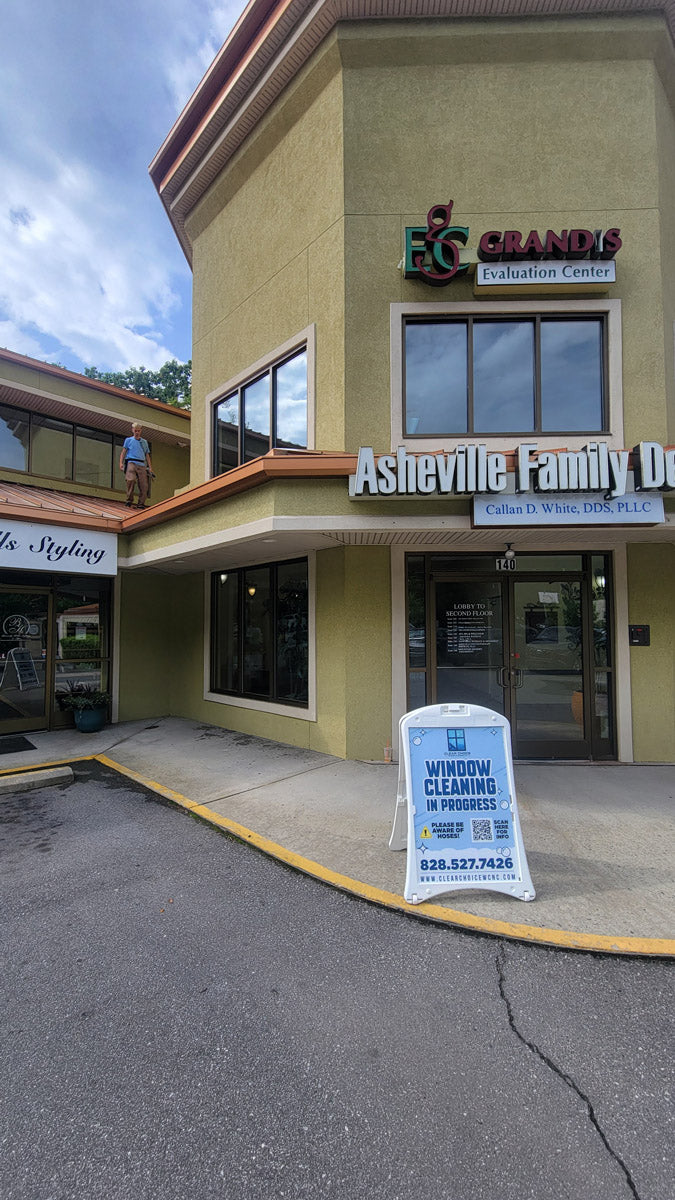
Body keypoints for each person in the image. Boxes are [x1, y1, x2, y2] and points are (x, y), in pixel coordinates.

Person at [119, 422, 153, 508]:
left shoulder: (144, 442)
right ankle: (129, 500)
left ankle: (141, 503)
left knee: (144, 485)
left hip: (141, 463)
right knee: (130, 480)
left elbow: (147, 455)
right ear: (132, 430)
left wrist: (150, 467)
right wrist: (121, 463)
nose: (137, 432)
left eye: (138, 431)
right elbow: (123, 452)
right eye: (135, 431)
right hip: (131, 462)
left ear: (140, 431)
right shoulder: (128, 440)